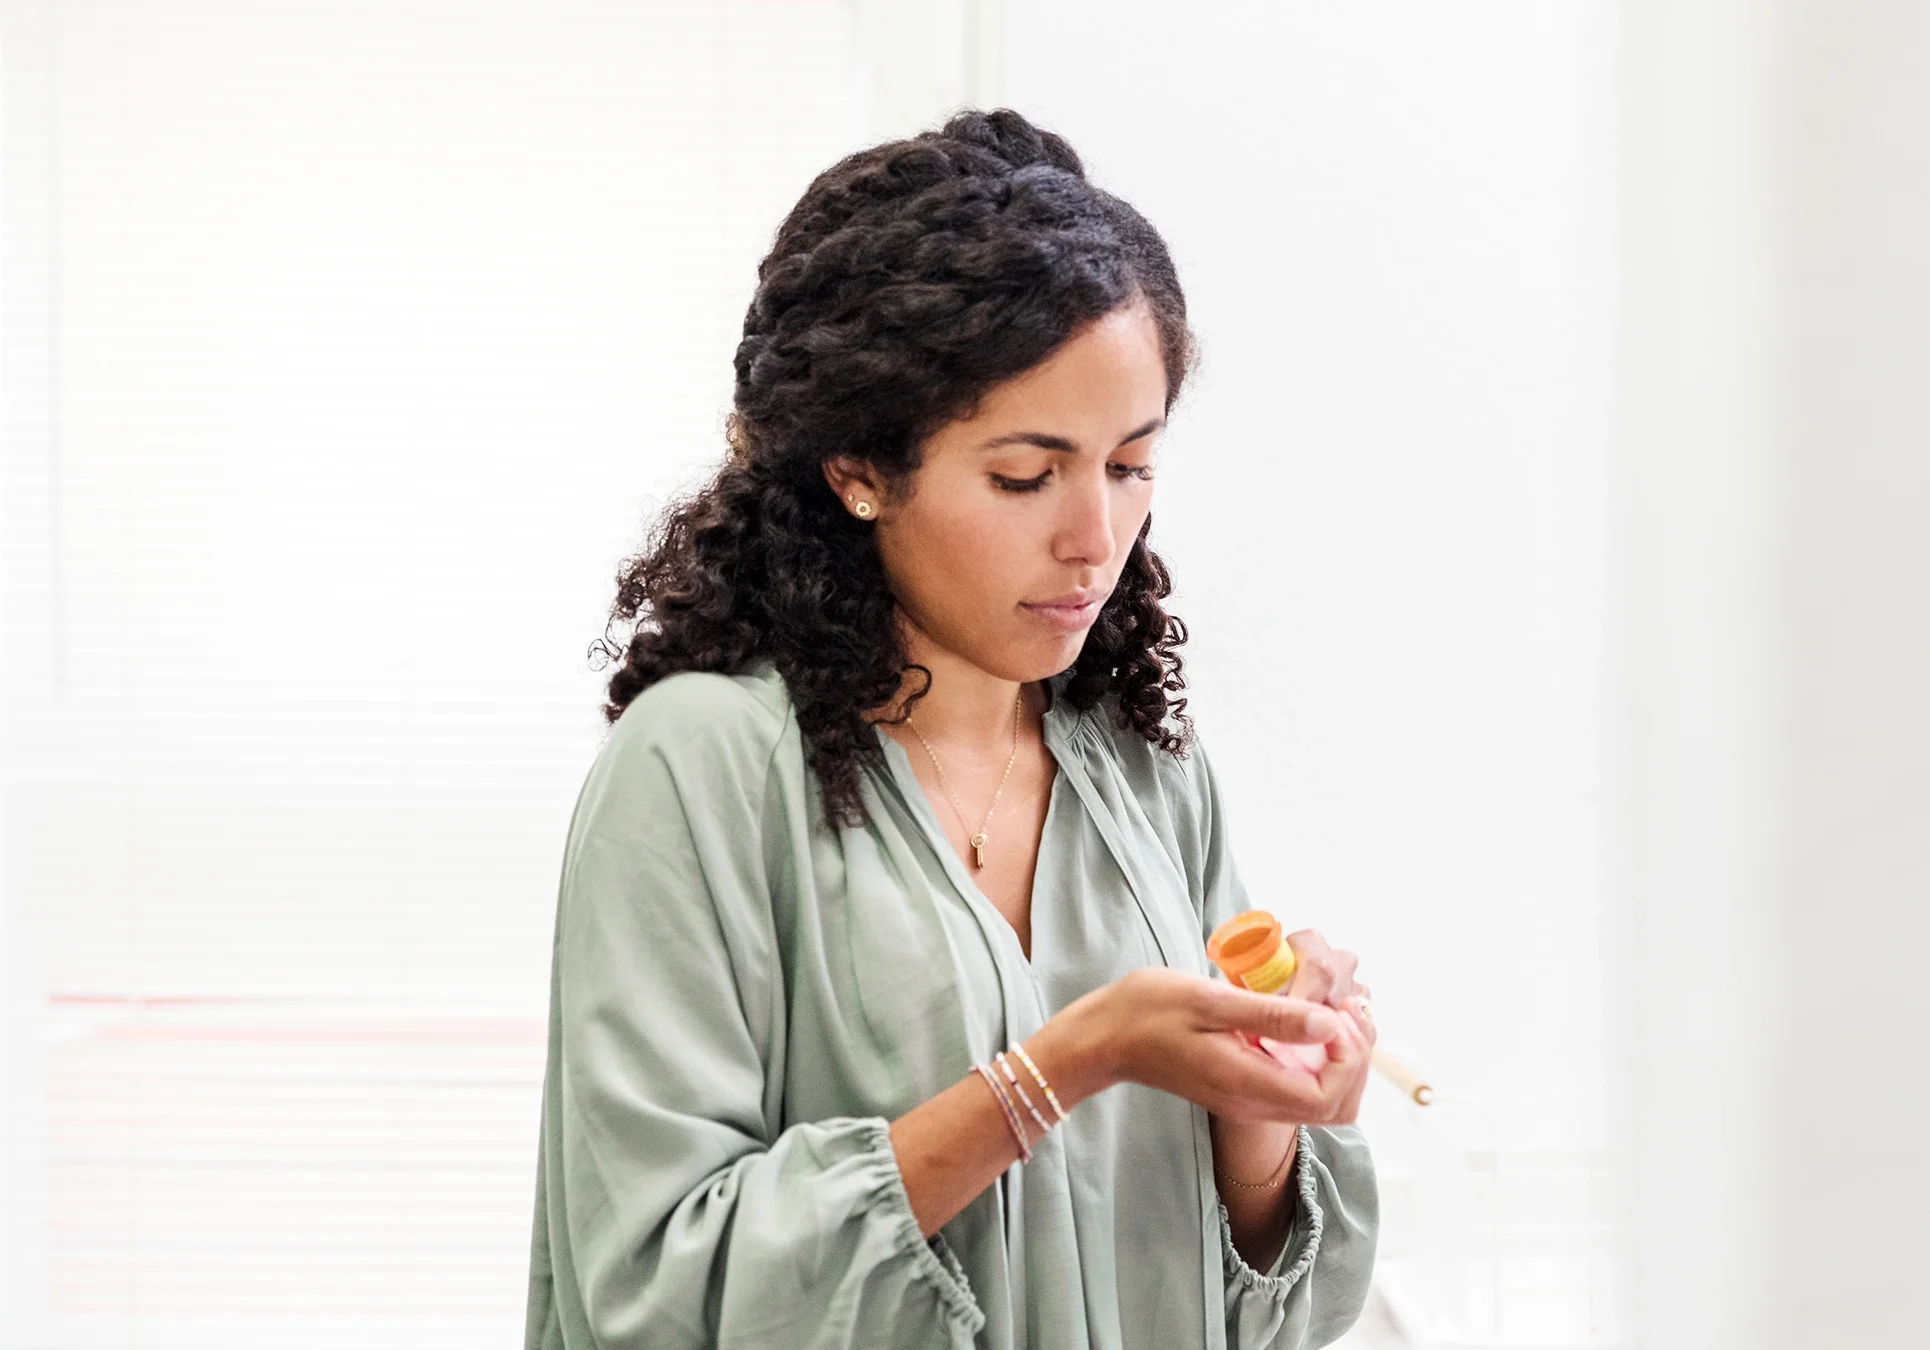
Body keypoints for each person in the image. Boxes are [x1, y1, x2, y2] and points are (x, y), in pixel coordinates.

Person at [521, 108, 1379, 1350]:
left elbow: (1257, 1304)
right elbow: (656, 1287)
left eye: (1131, 465)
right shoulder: (700, 769)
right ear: (859, 468)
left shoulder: (1147, 776)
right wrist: (1062, 1066)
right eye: (1026, 477)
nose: (1095, 537)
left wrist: (1265, 1106)